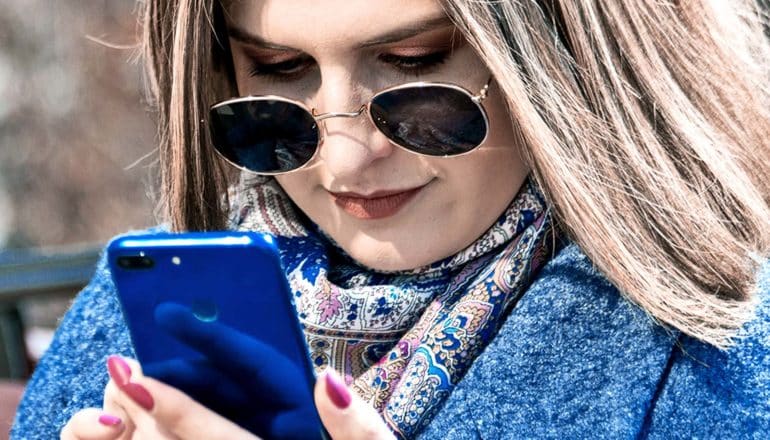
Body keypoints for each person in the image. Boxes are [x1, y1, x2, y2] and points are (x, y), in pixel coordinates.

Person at [11, 0, 770, 438]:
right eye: (279, 74)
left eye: (413, 63)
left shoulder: (720, 356)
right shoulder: (129, 322)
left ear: (565, 53)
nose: (342, 163)